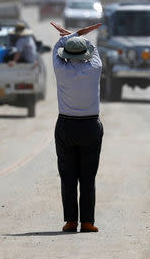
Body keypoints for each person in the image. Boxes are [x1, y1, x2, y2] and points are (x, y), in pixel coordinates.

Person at [50, 21, 103, 233]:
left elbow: (57, 47)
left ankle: (71, 221)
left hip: (66, 125)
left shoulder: (60, 69)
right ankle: (88, 222)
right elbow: (93, 48)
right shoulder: (95, 67)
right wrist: (80, 34)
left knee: (68, 176)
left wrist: (69, 35)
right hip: (90, 125)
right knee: (88, 177)